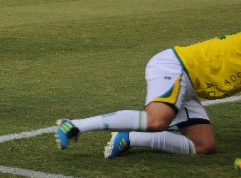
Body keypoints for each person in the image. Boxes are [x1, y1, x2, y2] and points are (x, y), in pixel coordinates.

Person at [56, 32, 241, 158]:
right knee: (157, 120)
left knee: (204, 146)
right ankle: (74, 126)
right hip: (175, 67)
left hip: (191, 85)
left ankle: (130, 137)